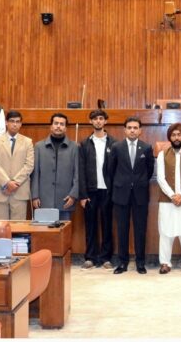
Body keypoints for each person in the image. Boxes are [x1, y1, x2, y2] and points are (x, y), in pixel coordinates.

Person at [108, 116, 154, 274]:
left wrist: (138, 182)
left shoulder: (146, 148)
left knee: (140, 230)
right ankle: (122, 262)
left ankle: (140, 262)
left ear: (140, 131)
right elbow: (110, 170)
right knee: (122, 229)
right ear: (125, 130)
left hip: (140, 195)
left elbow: (149, 171)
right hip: (121, 194)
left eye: (135, 128)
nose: (132, 130)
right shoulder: (116, 147)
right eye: (129, 127)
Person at [155, 123, 181, 274]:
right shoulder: (162, 154)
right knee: (165, 231)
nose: (176, 137)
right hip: (167, 199)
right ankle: (165, 263)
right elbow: (160, 178)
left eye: (179, 135)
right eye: (173, 135)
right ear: (169, 138)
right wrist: (173, 195)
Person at [79, 109, 116, 270]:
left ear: (105, 121)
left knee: (107, 225)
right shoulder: (85, 143)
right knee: (91, 225)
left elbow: (117, 170)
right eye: (95, 119)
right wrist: (83, 194)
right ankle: (91, 257)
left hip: (108, 191)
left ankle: (106, 257)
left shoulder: (114, 143)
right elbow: (81, 170)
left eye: (101, 118)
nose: (98, 121)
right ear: (91, 121)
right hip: (91, 192)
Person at [32, 113, 79, 221]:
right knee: (44, 235)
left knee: (63, 234)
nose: (58, 126)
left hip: (65, 200)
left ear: (66, 128)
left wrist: (73, 195)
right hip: (43, 200)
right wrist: (35, 196)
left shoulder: (74, 147)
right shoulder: (39, 146)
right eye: (56, 123)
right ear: (51, 126)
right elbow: (35, 174)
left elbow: (77, 173)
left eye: (62, 124)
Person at [0, 111, 35, 220]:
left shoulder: (28, 142)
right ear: (6, 123)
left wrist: (14, 183)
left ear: (21, 124)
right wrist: (6, 183)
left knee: (18, 228)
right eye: (12, 121)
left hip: (19, 190)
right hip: (0, 189)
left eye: (18, 122)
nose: (15, 124)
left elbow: (29, 165)